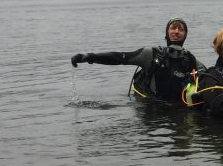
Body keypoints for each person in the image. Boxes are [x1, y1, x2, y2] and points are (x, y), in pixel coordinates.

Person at [70, 17, 204, 103]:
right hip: (150, 109)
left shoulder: (190, 59)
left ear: (185, 35)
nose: (176, 31)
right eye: (173, 27)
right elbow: (119, 57)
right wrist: (89, 57)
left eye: (181, 29)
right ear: (167, 33)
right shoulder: (151, 54)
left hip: (177, 107)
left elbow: (210, 76)